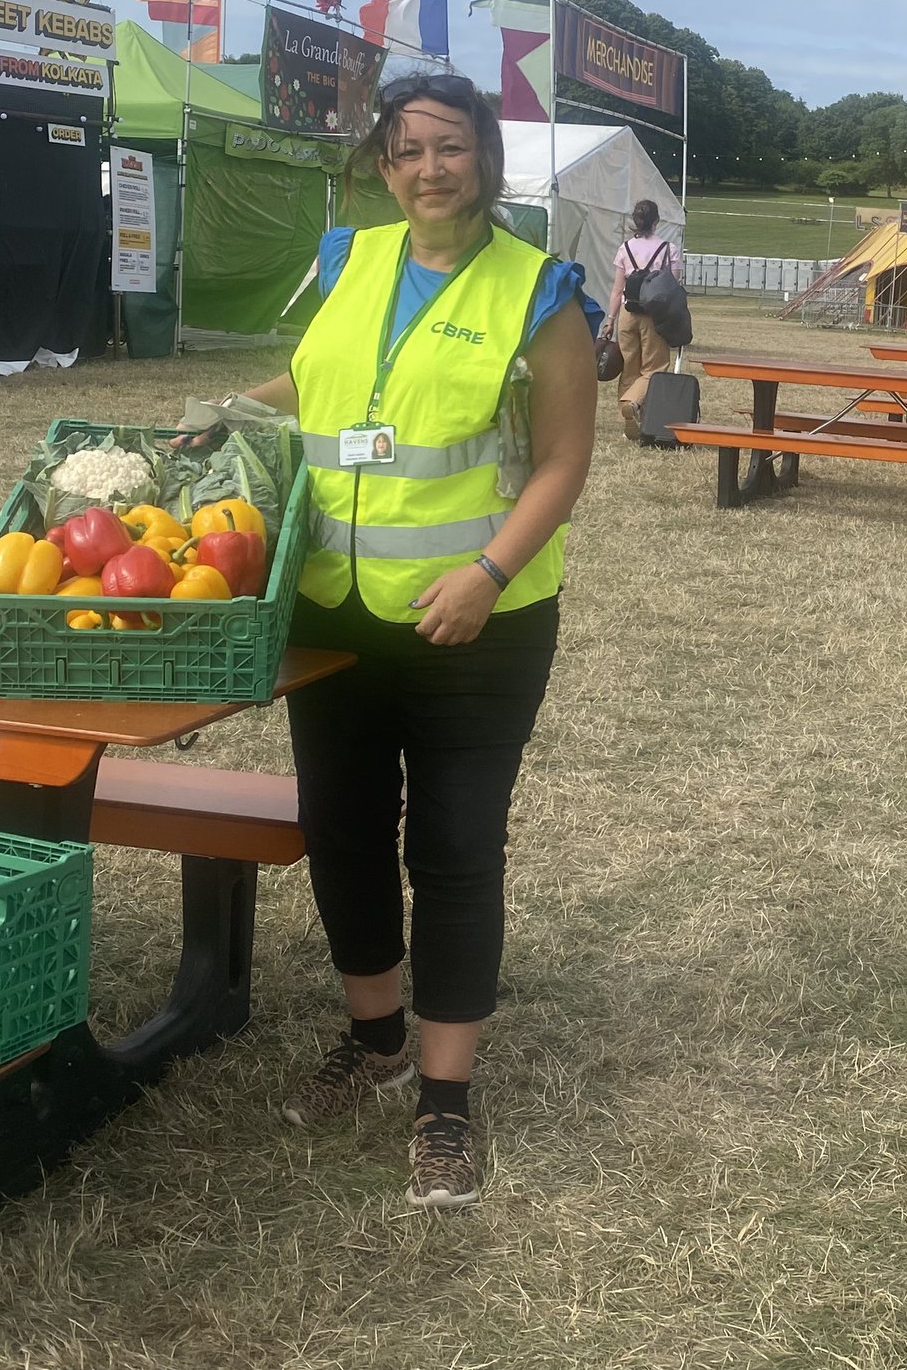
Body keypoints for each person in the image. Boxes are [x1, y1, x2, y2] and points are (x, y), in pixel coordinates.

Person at [224, 72, 599, 1210]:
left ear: (485, 155)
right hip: (333, 611)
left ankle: (444, 1102)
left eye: (447, 146)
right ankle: (375, 1038)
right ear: (379, 168)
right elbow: (319, 379)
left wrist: (487, 575)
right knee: (339, 830)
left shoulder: (542, 292)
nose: (427, 168)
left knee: (453, 849)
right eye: (403, 151)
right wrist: (236, 408)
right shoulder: (349, 260)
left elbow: (562, 461)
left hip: (475, 624)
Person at [605, 199, 678, 440]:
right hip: (654, 315)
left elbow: (617, 289)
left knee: (630, 366)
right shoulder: (669, 250)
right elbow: (672, 289)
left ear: (635, 222)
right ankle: (633, 404)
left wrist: (610, 319)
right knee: (654, 368)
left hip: (628, 312)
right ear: (657, 221)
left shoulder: (624, 249)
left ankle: (628, 425)